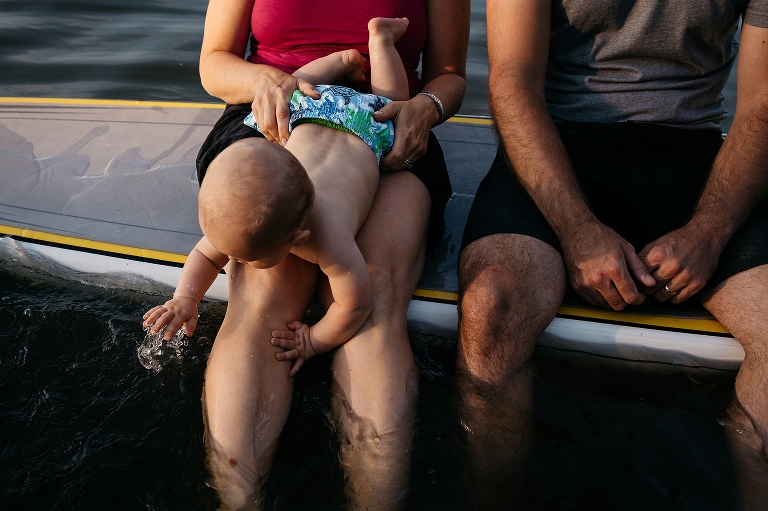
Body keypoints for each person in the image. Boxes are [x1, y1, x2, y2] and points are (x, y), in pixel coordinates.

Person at [458, 0, 768, 506]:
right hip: (556, 142)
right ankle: (492, 495)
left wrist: (708, 232)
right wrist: (577, 228)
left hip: (692, 148)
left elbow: (763, 103)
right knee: (492, 305)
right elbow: (512, 82)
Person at [189, 1, 468, 509]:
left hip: (390, 123)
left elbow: (450, 76)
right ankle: (239, 499)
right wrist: (267, 82)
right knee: (263, 287)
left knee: (376, 290)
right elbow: (214, 62)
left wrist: (425, 107)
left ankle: (376, 500)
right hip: (275, 110)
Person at [143, 18, 412, 378]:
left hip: (364, 126)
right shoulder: (255, 214)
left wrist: (313, 341)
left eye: (246, 258)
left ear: (299, 240)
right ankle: (375, 45)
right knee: (316, 92)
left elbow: (356, 304)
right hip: (316, 109)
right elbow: (206, 253)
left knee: (393, 105)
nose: (231, 262)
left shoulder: (330, 238)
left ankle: (357, 53)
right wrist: (185, 298)